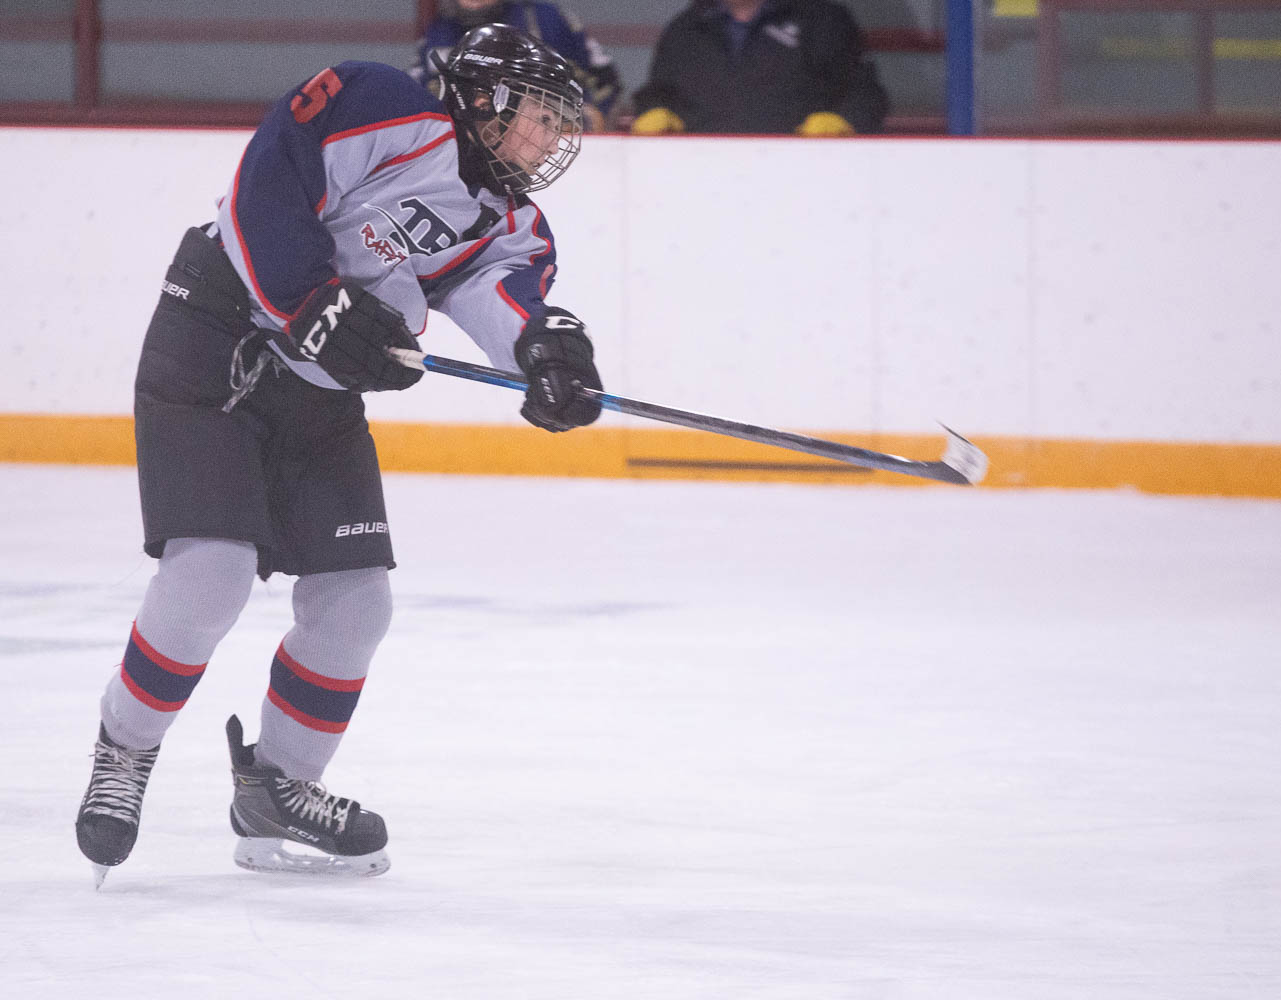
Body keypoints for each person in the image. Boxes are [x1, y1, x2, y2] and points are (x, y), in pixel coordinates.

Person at [74, 24, 603, 882]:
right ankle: (124, 751)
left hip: (316, 388)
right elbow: (271, 177)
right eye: (539, 117)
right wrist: (308, 299)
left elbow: (501, 292)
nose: (549, 140)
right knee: (210, 577)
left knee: (357, 605)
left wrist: (546, 355)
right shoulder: (381, 103)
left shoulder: (511, 221)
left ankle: (278, 788)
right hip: (217, 335)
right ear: (484, 100)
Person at [631, 0, 889, 136]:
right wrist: (653, 111)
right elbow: (657, 93)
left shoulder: (822, 20)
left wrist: (844, 121)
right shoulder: (685, 28)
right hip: (702, 180)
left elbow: (865, 94)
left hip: (804, 179)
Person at [412, 0, 622, 130]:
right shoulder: (438, 30)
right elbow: (417, 95)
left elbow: (606, 81)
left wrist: (589, 114)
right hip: (464, 151)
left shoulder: (546, 20)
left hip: (551, 147)